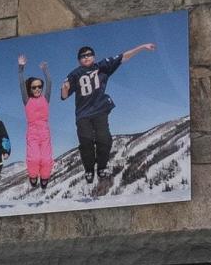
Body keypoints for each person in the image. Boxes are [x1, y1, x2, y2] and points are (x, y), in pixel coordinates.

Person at [63, 38, 155, 186]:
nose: (86, 57)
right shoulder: (74, 74)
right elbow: (64, 95)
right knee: (86, 142)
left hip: (100, 110)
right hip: (83, 114)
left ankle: (101, 167)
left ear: (94, 56)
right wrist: (65, 87)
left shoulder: (102, 66)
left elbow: (123, 56)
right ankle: (89, 170)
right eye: (82, 56)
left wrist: (142, 47)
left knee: (104, 139)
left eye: (89, 54)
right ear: (79, 60)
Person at [14, 62, 55, 191]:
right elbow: (21, 84)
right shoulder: (27, 100)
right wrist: (21, 68)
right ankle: (33, 176)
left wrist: (45, 69)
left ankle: (44, 177)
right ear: (29, 89)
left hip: (45, 132)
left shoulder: (45, 98)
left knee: (46, 159)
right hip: (32, 132)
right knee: (34, 158)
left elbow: (50, 82)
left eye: (39, 86)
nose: (37, 89)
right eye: (34, 87)